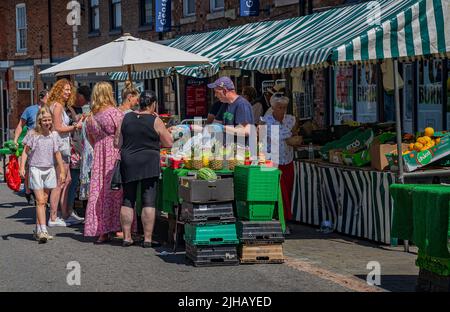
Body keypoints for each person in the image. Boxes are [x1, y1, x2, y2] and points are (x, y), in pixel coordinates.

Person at [115, 90, 173, 247]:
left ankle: (127, 237)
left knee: (128, 199)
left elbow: (117, 143)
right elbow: (169, 142)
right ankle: (147, 239)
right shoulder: (155, 120)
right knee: (149, 200)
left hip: (129, 161)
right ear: (153, 104)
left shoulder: (126, 117)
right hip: (149, 161)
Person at [84, 82, 124, 244]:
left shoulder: (90, 117)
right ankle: (118, 227)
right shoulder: (115, 113)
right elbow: (122, 134)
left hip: (99, 154)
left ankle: (101, 230)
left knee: (99, 191)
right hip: (114, 153)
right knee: (116, 190)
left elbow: (91, 140)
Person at [19, 106, 66, 243]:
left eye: (49, 120)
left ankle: (38, 229)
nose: (47, 122)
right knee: (39, 201)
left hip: (49, 169)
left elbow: (57, 154)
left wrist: (62, 170)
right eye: (44, 120)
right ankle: (44, 230)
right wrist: (22, 167)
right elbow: (25, 151)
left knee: (44, 201)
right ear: (39, 120)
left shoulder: (54, 135)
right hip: (35, 169)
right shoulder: (33, 134)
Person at [47, 79, 84, 227]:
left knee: (67, 180)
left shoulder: (61, 106)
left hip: (63, 147)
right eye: (66, 90)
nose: (68, 92)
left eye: (69, 90)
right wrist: (75, 126)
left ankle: (65, 214)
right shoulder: (57, 107)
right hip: (59, 147)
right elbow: (57, 128)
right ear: (58, 90)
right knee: (60, 181)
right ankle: (53, 217)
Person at [264, 93, 298, 235]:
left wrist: (295, 138)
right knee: (279, 193)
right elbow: (282, 136)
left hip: (288, 160)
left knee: (288, 191)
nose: (282, 110)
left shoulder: (291, 119)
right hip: (273, 161)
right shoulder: (266, 121)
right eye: (279, 107)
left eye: (284, 107)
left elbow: (295, 134)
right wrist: (291, 137)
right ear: (273, 107)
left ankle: (285, 219)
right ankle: (281, 221)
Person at [14, 89, 49, 204]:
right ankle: (29, 191)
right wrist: (15, 140)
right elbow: (20, 125)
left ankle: (40, 193)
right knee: (30, 168)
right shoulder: (29, 110)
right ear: (41, 98)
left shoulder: (51, 109)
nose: (50, 99)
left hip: (45, 143)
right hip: (31, 143)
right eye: (48, 97)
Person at [66, 86, 92, 221]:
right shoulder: (68, 109)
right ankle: (68, 210)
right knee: (73, 181)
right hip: (74, 150)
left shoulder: (88, 109)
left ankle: (82, 211)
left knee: (85, 181)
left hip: (85, 150)